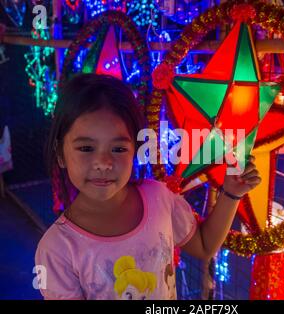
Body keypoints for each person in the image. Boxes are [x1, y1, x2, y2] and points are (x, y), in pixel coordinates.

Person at [35, 73, 261, 300]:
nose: (103, 163)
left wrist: (232, 192)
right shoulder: (56, 249)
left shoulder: (158, 197)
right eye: (86, 148)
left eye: (118, 149)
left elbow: (204, 246)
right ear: (60, 154)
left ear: (135, 149)